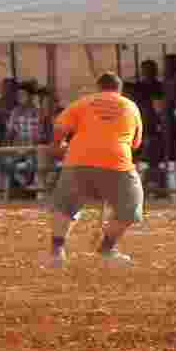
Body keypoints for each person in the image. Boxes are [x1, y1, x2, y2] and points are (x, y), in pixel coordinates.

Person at [45, 72, 143, 268]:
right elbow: (135, 144)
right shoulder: (131, 106)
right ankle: (107, 250)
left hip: (78, 159)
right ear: (119, 90)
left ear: (98, 88)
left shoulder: (83, 102)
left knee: (66, 206)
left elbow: (60, 126)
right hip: (117, 162)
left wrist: (57, 145)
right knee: (130, 209)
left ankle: (56, 253)